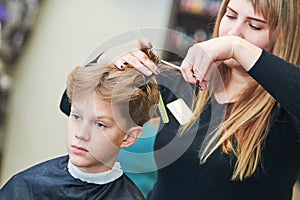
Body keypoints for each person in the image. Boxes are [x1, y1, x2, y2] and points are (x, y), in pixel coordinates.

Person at [81, 0, 300, 199]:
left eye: (254, 26)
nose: (233, 32)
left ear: (284, 36)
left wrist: (237, 47)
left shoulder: (286, 110)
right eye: (230, 16)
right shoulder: (181, 83)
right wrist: (107, 60)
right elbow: (72, 106)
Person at [0, 51, 161, 199]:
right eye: (76, 116)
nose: (81, 134)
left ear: (129, 137)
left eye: (100, 124)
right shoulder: (24, 188)